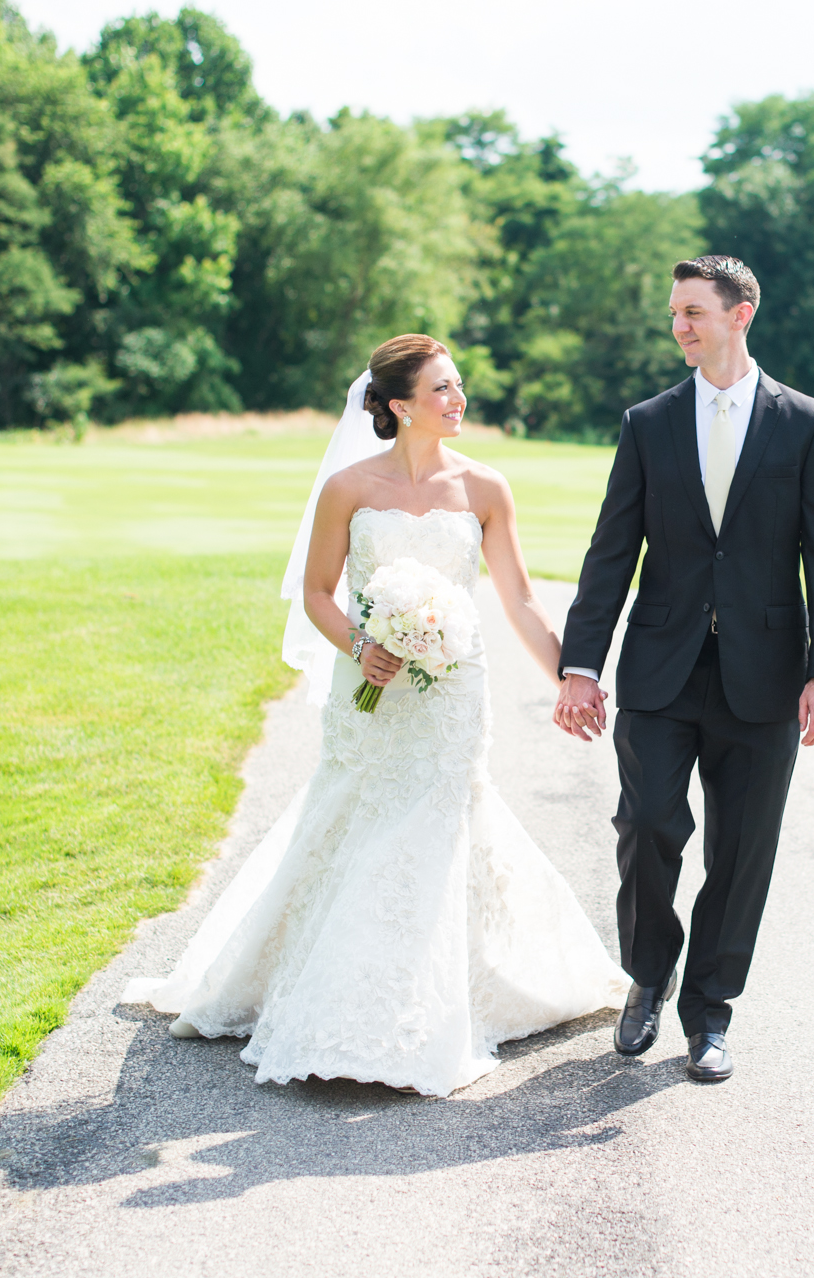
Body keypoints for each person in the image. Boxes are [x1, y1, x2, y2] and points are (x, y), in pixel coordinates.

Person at [123, 333, 628, 1098]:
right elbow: (319, 591)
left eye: (459, 386)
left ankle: (422, 1003)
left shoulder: (486, 487)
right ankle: (330, 995)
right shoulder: (349, 488)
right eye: (442, 390)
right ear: (399, 405)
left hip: (455, 694)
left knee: (439, 822)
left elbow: (520, 599)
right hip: (368, 690)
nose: (459, 400)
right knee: (358, 814)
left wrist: (572, 677)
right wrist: (364, 645)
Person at [553, 256, 814, 1083]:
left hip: (764, 674)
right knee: (648, 823)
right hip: (661, 666)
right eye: (676, 313)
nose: (680, 325)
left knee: (743, 846)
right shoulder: (647, 422)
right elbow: (612, 548)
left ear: (740, 313)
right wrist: (582, 663)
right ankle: (650, 976)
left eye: (693, 311)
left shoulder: (807, 422)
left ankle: (711, 1011)